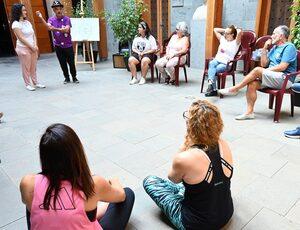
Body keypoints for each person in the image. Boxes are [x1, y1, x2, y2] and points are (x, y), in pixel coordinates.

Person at [20, 123, 135, 229]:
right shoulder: (93, 183)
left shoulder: (28, 182)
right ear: (77, 153)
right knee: (128, 193)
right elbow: (121, 196)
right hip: (88, 208)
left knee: (33, 198)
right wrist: (114, 181)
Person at [143, 100, 234, 229]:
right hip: (226, 214)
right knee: (195, 182)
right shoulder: (224, 144)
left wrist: (185, 144)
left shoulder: (184, 158)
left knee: (150, 181)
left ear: (191, 125)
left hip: (196, 225)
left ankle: (183, 198)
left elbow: (172, 179)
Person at [219, 25, 297, 120]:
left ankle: (235, 88)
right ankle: (249, 112)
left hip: (284, 79)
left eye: (273, 34)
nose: (271, 36)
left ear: (281, 36)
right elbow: (264, 64)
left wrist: (263, 71)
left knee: (257, 70)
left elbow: (282, 67)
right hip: (273, 77)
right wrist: (264, 48)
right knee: (252, 83)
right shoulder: (274, 48)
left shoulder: (289, 47)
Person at [36, 1, 79, 84]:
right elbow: (48, 28)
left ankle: (74, 77)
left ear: (62, 9)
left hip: (68, 45)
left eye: (59, 8)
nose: (58, 10)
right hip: (58, 45)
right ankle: (66, 78)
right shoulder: (51, 19)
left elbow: (66, 29)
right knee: (62, 63)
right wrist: (41, 18)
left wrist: (54, 29)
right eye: (56, 9)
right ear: (53, 10)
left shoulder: (67, 19)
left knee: (71, 63)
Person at [11, 4, 45, 91]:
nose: (25, 12)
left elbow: (33, 34)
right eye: (23, 10)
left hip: (33, 47)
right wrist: (31, 47)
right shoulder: (15, 24)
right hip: (23, 48)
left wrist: (35, 45)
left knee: (33, 66)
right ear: (18, 12)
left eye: (25, 10)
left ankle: (36, 82)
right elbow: (21, 38)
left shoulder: (28, 22)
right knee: (26, 67)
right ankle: (28, 84)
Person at [205, 25, 242, 97]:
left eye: (227, 33)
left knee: (214, 69)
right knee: (212, 63)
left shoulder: (236, 43)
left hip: (226, 64)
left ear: (232, 34)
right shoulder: (222, 39)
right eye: (225, 33)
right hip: (217, 60)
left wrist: (235, 29)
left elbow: (240, 32)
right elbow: (215, 29)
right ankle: (210, 85)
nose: (225, 35)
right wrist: (226, 30)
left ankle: (213, 89)